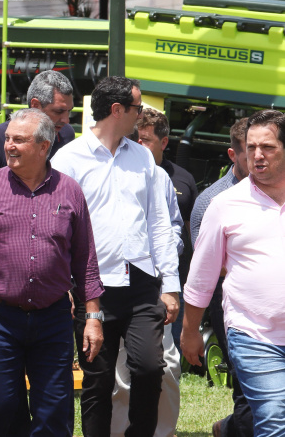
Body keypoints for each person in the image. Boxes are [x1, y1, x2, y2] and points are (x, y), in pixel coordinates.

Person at [0, 107, 104, 437]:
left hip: (52, 318)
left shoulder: (70, 191)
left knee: (53, 409)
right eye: (7, 139)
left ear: (45, 146)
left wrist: (93, 317)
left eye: (20, 140)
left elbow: (85, 260)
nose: (9, 146)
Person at [51, 76, 179, 437]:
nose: (141, 116)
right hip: (93, 286)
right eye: (137, 108)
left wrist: (169, 285)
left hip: (141, 284)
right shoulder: (68, 159)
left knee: (151, 368)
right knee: (97, 378)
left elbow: (159, 223)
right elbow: (59, 227)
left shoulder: (141, 157)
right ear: (117, 110)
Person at [182, 109, 285, 437]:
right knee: (274, 420)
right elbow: (202, 277)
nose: (257, 155)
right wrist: (190, 331)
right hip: (254, 334)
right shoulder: (223, 205)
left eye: (267, 147)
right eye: (251, 147)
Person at [110, 109, 191, 437]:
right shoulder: (112, 174)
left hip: (155, 284)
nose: (138, 145)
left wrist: (161, 255)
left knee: (165, 367)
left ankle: (162, 432)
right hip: (116, 283)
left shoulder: (168, 178)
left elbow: (174, 227)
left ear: (163, 142)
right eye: (134, 138)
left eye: (145, 139)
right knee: (120, 375)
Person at [188, 118, 252, 437]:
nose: (258, 160)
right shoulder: (211, 202)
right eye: (249, 153)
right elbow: (207, 265)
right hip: (230, 308)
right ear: (232, 155)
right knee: (247, 390)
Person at [0, 70, 76, 192]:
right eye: (58, 111)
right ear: (35, 105)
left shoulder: (66, 135)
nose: (66, 120)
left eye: (69, 111)